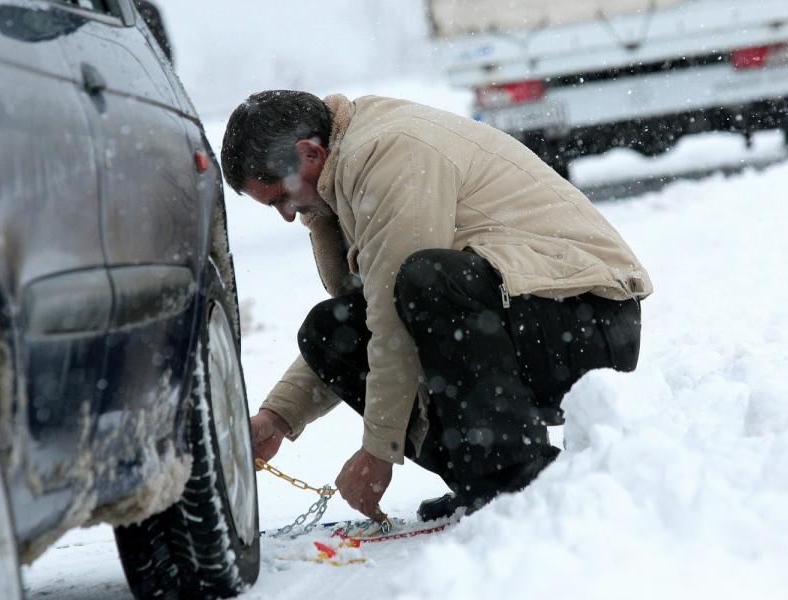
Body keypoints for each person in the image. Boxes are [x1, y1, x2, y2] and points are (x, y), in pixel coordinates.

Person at [221, 91, 652, 522]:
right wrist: (278, 416)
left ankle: (512, 475)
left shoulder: (390, 152)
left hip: (590, 320)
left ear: (310, 153)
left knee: (429, 281)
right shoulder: (350, 158)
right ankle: (484, 479)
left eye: (280, 197)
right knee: (330, 331)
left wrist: (379, 451)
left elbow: (391, 315)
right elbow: (372, 315)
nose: (286, 214)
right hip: (530, 313)